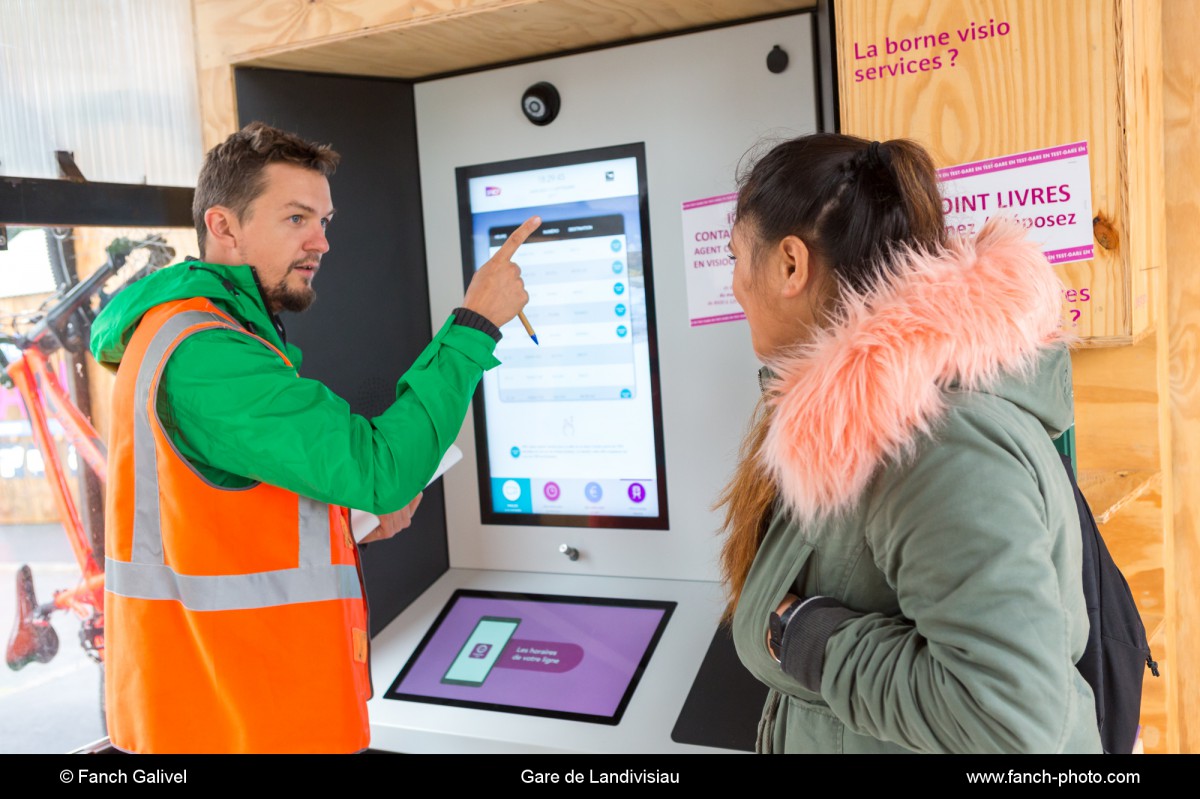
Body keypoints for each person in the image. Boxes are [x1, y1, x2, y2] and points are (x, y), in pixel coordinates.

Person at [91, 122, 538, 753]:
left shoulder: (211, 334)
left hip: (244, 712)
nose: (321, 241)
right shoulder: (206, 354)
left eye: (324, 221)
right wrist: (476, 324)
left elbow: (223, 524)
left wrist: (344, 520)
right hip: (234, 725)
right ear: (223, 226)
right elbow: (380, 469)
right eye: (296, 218)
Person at [718, 133, 1103, 754]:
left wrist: (808, 638)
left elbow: (1007, 718)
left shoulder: (939, 439)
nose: (736, 286)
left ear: (790, 264)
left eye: (737, 257)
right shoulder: (860, 422)